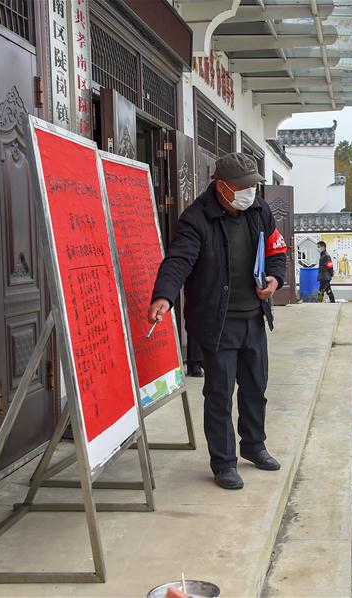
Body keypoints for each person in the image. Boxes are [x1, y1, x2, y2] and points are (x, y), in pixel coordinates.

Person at [148, 153, 288, 490]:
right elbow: (178, 260)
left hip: (253, 318)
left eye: (253, 186)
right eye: (243, 187)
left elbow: (276, 251)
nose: (250, 192)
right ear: (222, 186)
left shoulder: (260, 211)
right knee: (220, 394)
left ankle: (254, 446)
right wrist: (164, 296)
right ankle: (223, 462)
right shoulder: (196, 219)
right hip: (217, 322)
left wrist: (275, 279)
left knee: (256, 388)